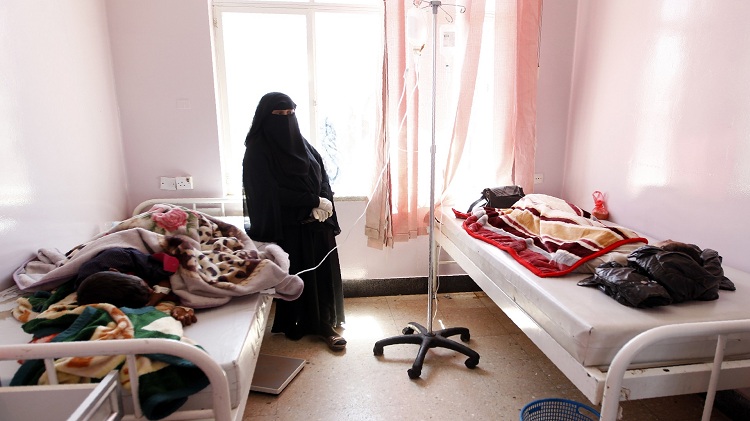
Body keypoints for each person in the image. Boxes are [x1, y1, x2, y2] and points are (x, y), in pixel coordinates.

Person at [242, 92, 346, 351]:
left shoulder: (301, 142)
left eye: (291, 114)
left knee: (322, 275)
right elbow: (268, 192)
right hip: (289, 226)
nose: (286, 120)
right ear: (266, 117)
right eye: (279, 115)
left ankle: (325, 324)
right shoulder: (257, 150)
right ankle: (298, 323)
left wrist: (323, 200)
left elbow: (320, 170)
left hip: (316, 224)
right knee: (299, 276)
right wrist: (310, 201)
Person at [74, 247, 197, 326]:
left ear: (116, 271)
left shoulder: (122, 258)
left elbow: (167, 275)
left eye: (144, 285)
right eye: (148, 293)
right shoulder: (88, 292)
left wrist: (151, 303)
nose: (151, 289)